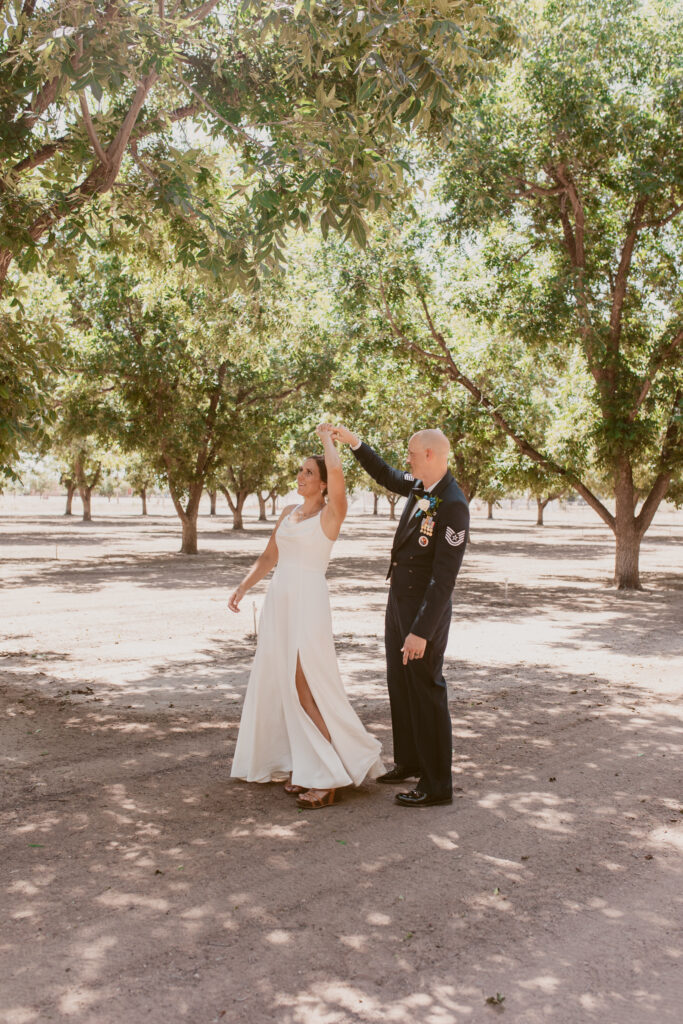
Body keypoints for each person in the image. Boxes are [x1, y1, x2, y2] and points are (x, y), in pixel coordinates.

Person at [228, 423, 383, 809]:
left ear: (324, 483)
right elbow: (270, 556)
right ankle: (306, 763)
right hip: (279, 601)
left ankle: (328, 775)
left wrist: (327, 441)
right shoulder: (287, 512)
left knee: (305, 684)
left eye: (309, 472)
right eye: (300, 470)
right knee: (283, 682)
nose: (300, 476)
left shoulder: (331, 514)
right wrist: (244, 586)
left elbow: (339, 474)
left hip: (308, 603)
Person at [332, 426, 469, 807]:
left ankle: (437, 784)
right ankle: (409, 761)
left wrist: (421, 631)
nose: (406, 459)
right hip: (399, 603)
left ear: (430, 454)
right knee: (400, 684)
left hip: (424, 611)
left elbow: (444, 579)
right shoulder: (419, 486)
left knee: (425, 690)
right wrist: (355, 443)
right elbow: (385, 474)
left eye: (411, 452)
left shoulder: (453, 503)